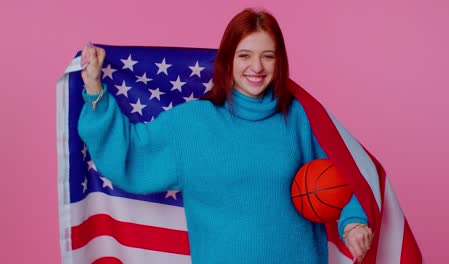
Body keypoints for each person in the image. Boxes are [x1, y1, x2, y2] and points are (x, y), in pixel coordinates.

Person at [78, 8, 373, 264]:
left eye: (267, 56)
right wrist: (95, 90)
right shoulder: (192, 123)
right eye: (245, 55)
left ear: (279, 61)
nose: (256, 67)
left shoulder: (299, 116)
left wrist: (353, 222)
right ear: (228, 60)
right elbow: (131, 153)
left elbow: (341, 173)